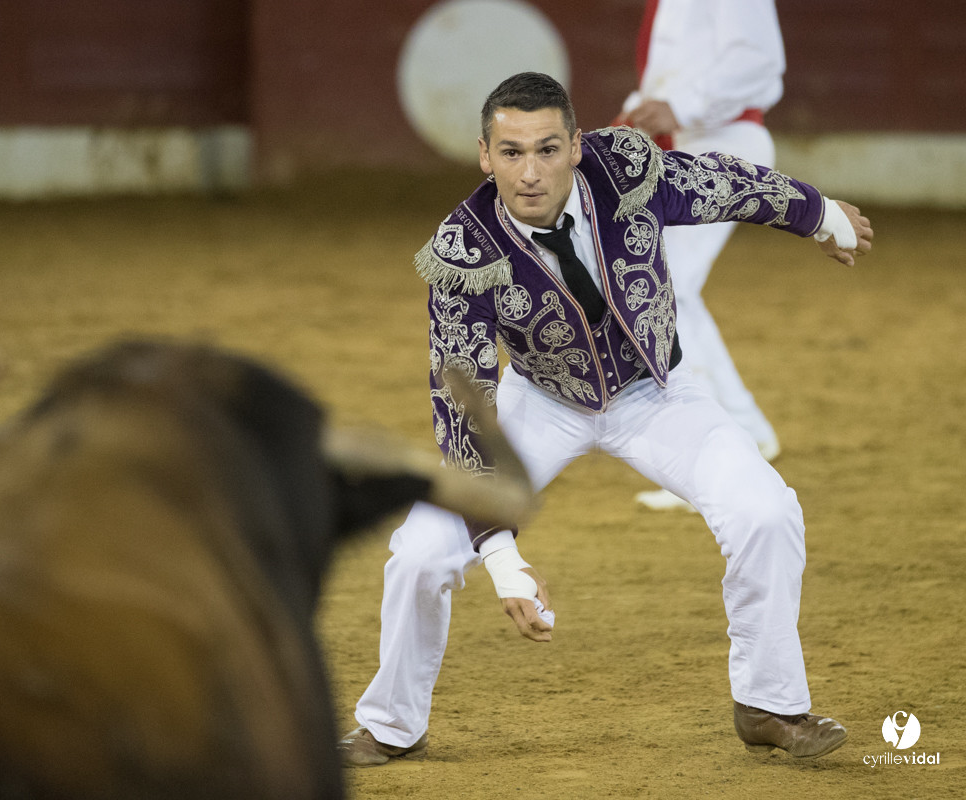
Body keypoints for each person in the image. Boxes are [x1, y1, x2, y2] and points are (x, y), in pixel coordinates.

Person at [338, 71, 870, 766]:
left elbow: (722, 182)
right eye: (511, 152)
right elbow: (462, 407)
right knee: (417, 555)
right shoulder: (463, 252)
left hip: (659, 390)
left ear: (577, 146)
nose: (530, 173)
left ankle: (768, 704)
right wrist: (501, 556)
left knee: (767, 511)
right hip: (541, 404)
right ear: (483, 155)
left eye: (548, 150)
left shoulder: (627, 172)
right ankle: (390, 723)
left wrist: (820, 214)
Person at [615, 0, 788, 511]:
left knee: (666, 284)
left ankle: (722, 447)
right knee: (669, 284)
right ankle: (742, 432)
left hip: (723, 140)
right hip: (691, 144)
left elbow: (759, 61)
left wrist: (680, 107)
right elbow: (676, 75)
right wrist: (645, 111)